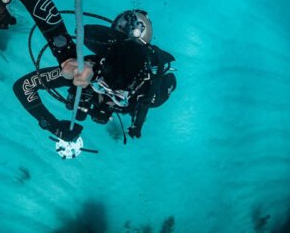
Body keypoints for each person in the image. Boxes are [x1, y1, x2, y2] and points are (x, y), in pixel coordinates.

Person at [13, 10, 177, 142]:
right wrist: (53, 126)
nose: (112, 93)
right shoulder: (86, 71)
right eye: (102, 86)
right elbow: (24, 86)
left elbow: (24, 86)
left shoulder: (150, 93)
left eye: (120, 95)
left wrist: (54, 126)